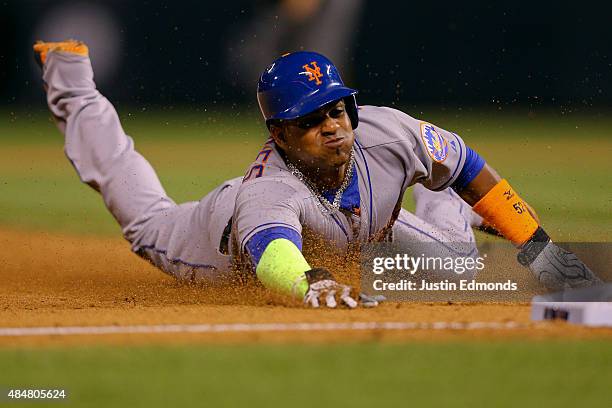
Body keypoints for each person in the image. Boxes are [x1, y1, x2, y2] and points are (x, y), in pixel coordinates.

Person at [33, 40, 602, 309]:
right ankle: (71, 76)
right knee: (142, 213)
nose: (332, 126)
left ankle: (457, 217)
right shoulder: (269, 188)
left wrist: (546, 255)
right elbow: (272, 252)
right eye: (310, 120)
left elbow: (471, 168)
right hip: (215, 236)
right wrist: (312, 282)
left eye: (336, 109)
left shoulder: (390, 133)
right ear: (278, 134)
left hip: (360, 220)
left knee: (457, 269)